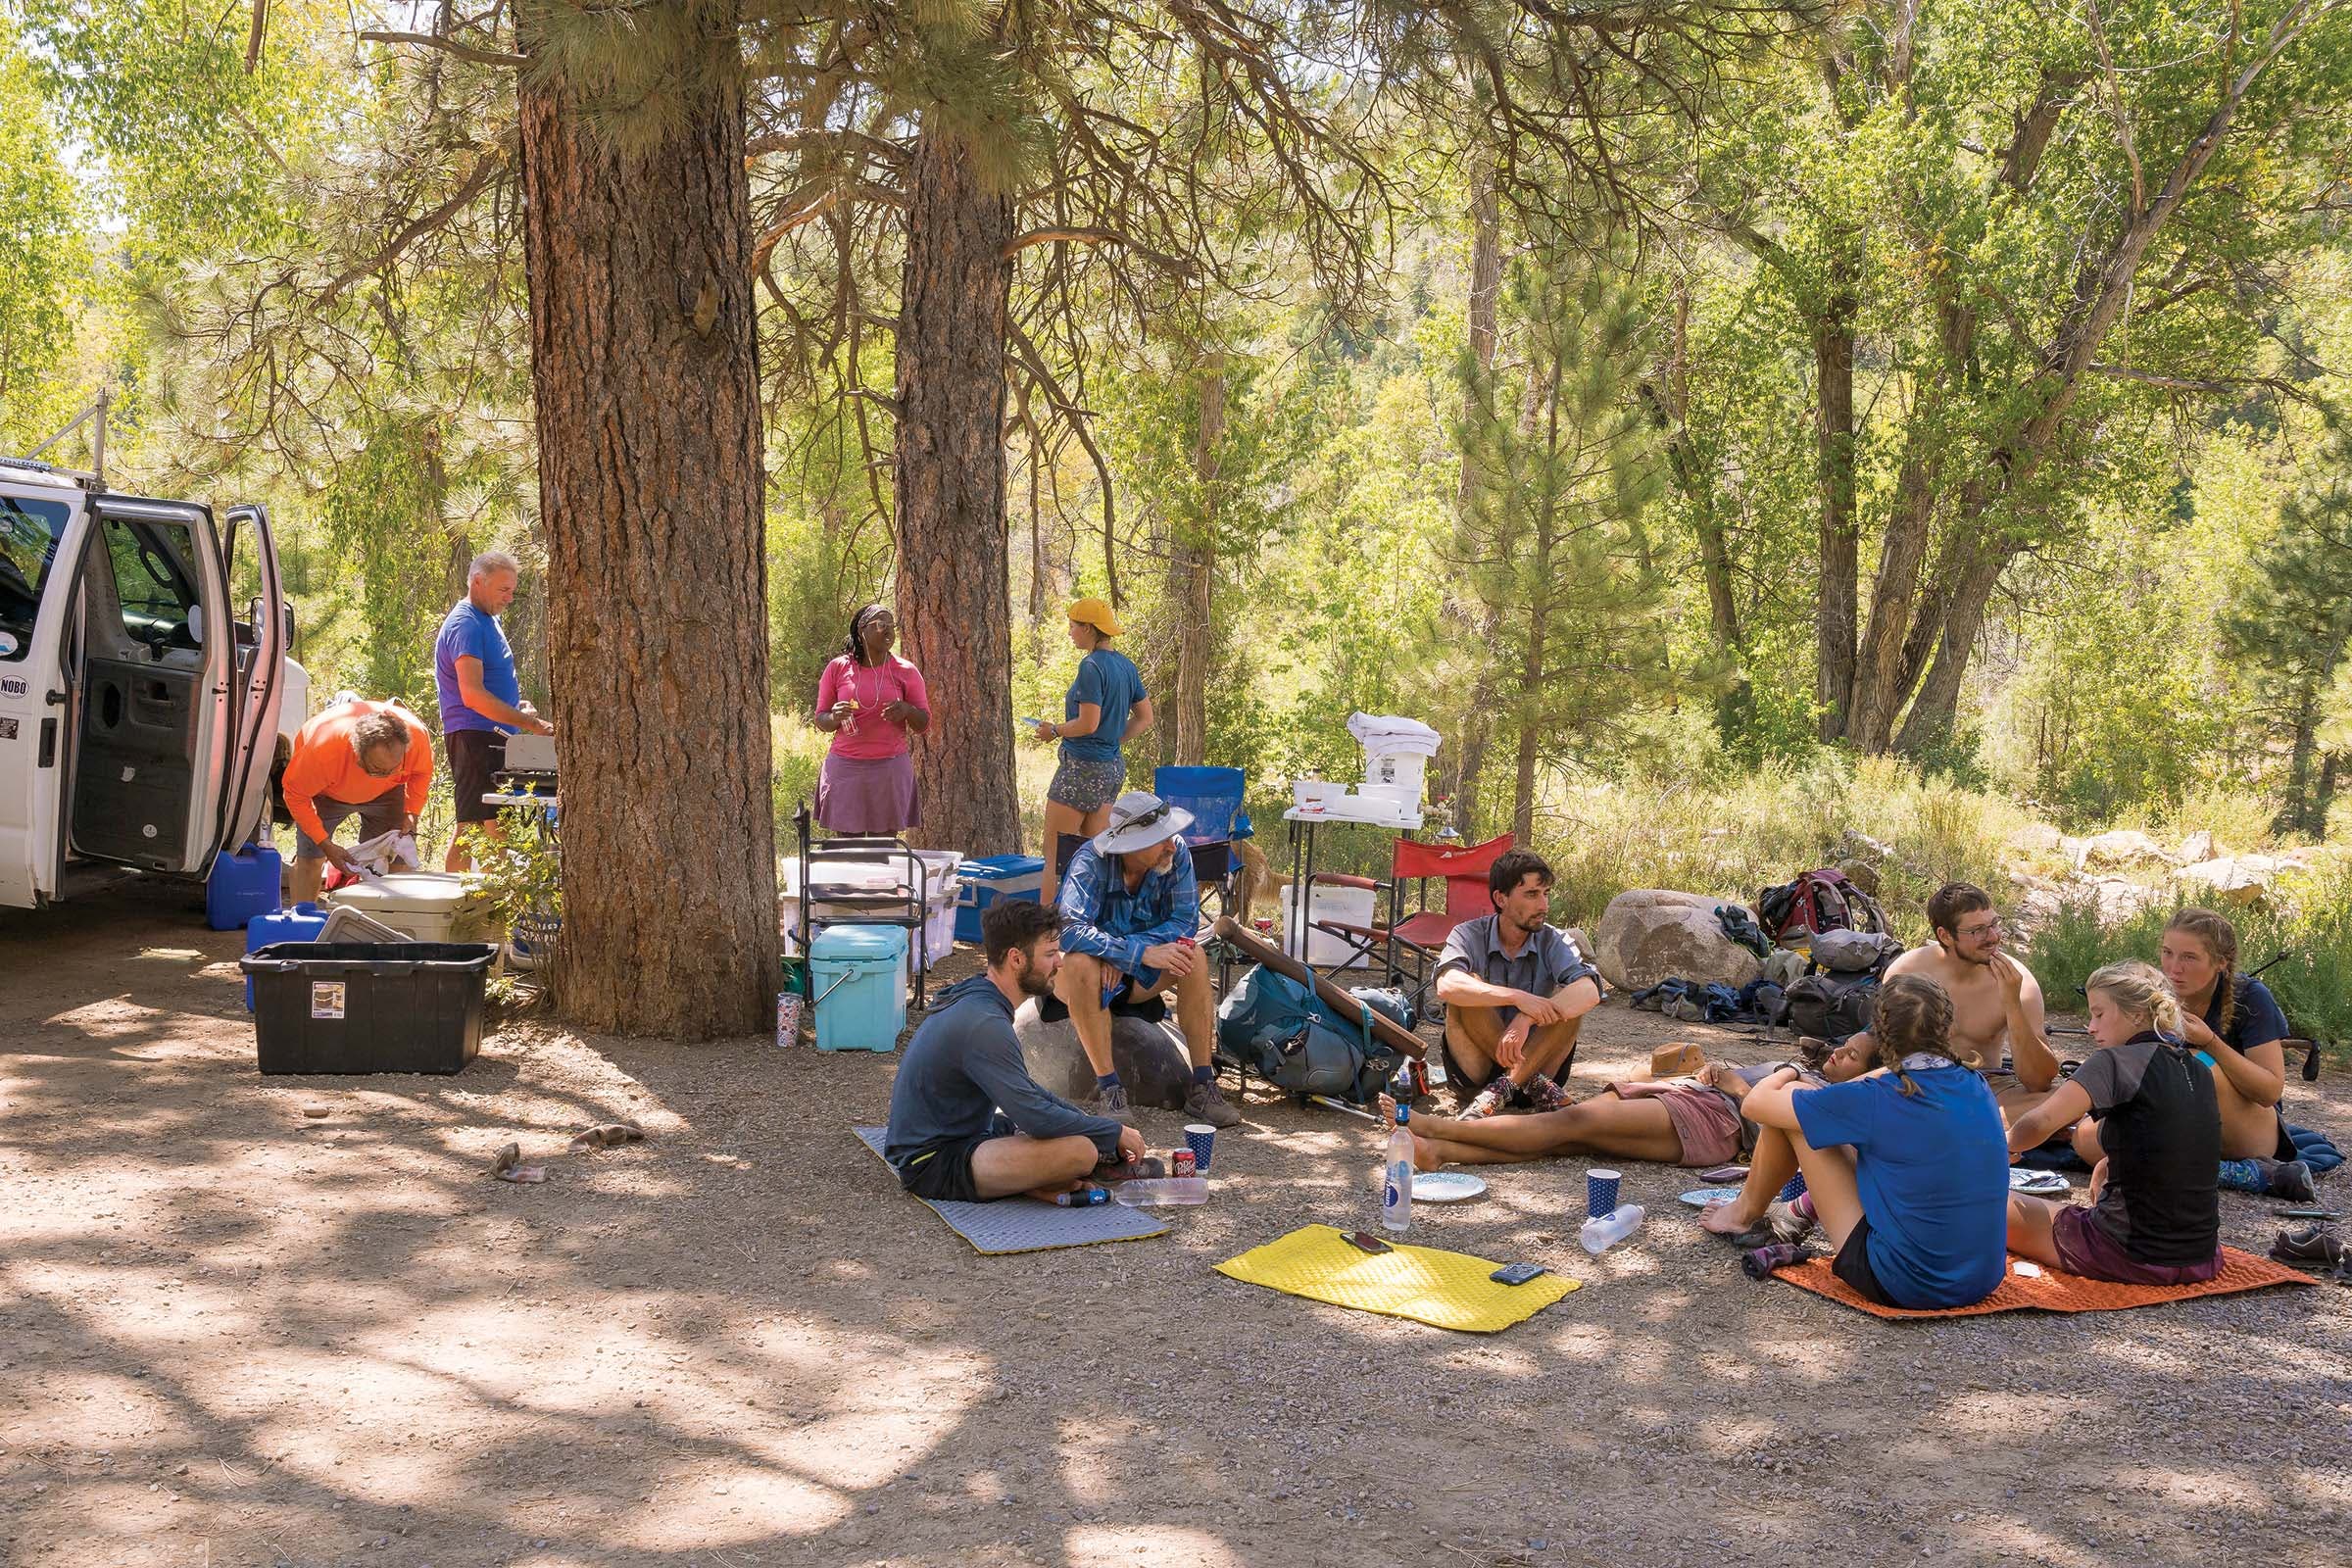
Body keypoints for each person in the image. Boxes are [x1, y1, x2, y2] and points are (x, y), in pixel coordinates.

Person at [1701, 975, 2009, 1311]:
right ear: (1948, 1030)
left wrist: (1790, 1070)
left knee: (1791, 1104)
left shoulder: (1878, 1096)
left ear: (1879, 1033)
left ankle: (1742, 1214)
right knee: (1811, 1110)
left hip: (1906, 1284)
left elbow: (1755, 1105)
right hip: (1981, 1278)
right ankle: (1777, 1213)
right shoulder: (1974, 1082)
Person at [885, 900, 1146, 1202]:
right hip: (930, 1162)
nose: (1059, 963)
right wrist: (1110, 1135)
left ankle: (1037, 1181)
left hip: (961, 1132)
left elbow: (1027, 1092)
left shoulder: (982, 998)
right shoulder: (985, 1024)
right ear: (1016, 959)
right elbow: (1035, 1116)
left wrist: (1097, 1128)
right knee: (1080, 1152)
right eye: (1050, 954)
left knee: (1051, 1133)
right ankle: (1033, 1183)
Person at [2004, 962, 2224, 1285]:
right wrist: (2108, 1162)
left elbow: (2040, 1123)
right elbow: (2170, 1139)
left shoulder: (2114, 1062)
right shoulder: (2199, 1070)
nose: (2091, 1027)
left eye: (2099, 1014)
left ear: (2136, 1015)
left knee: (1984, 1205)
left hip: (2129, 1253)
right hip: (2201, 1257)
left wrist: (2005, 1144)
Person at [1053, 791, 1241, 1128]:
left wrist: (1126, 951)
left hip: (1135, 973)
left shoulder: (1177, 853)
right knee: (1080, 961)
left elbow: (1184, 921)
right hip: (1086, 980)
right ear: (1130, 845)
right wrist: (1124, 952)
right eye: (1160, 839)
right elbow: (1069, 931)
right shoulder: (1089, 863)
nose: (1171, 844)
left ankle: (1202, 1086)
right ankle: (1110, 1090)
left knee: (1192, 954)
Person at [1388, 1046, 1871, 1173]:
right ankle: (1439, 1151)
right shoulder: (1815, 1074)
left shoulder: (1833, 1098)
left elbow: (1776, 1129)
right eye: (1842, 1046)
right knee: (1568, 1141)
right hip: (1690, 1094)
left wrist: (1736, 1087)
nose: (1838, 1055)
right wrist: (1713, 1072)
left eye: (1852, 1055)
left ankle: (1431, 1124)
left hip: (1711, 1121)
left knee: (1568, 1123)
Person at [1431, 848, 1603, 1119]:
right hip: (1476, 1076)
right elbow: (1447, 985)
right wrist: (1515, 997)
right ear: (1501, 898)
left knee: (1571, 999)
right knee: (1468, 987)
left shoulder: (1553, 940)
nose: (1544, 905)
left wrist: (1526, 1018)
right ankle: (1522, 1080)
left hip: (1538, 1072)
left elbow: (1589, 991)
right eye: (1532, 894)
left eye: (1545, 894)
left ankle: (1505, 1087)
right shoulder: (1468, 934)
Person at [1883, 882, 2060, 1120]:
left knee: (2060, 1101)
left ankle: (1960, 1122)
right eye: (1977, 931)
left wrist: (2012, 1005)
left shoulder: (2019, 982)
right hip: (1917, 1082)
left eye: (1995, 924)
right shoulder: (1908, 971)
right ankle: (1977, 1124)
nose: (1993, 937)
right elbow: (1885, 1047)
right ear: (1945, 936)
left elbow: (2039, 1081)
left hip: (1985, 1085)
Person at [434, 550, 552, 872]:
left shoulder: (489, 621)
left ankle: (490, 907)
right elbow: (472, 695)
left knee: (496, 827)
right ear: (477, 582)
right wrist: (530, 722)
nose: (509, 597)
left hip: (496, 735)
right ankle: (456, 910)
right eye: (503, 590)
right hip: (474, 736)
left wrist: (516, 709)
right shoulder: (466, 624)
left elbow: (492, 685)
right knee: (471, 828)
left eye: (513, 590)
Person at [1034, 597, 1152, 906]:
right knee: (1092, 855)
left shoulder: (1091, 665)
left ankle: (1043, 932)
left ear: (1088, 628)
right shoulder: (1126, 666)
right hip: (1110, 768)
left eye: (1073, 626)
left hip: (1080, 768)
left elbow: (1088, 723)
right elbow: (1145, 718)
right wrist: (1112, 741)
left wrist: (1054, 730)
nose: (1070, 632)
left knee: (1055, 856)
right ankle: (1088, 922)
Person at [280, 697, 432, 904]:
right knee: (311, 856)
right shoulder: (323, 752)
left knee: (395, 855)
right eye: (378, 768)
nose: (387, 772)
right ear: (357, 752)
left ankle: (387, 920)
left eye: (394, 767)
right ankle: (302, 921)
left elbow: (422, 773)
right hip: (327, 792)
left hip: (388, 795)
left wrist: (412, 812)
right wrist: (325, 844)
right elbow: (295, 795)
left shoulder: (416, 738)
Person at [812, 604, 930, 835]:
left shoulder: (906, 671)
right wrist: (834, 716)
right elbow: (821, 719)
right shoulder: (838, 668)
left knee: (884, 849)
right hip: (845, 769)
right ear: (861, 631)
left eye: (892, 626)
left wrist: (907, 710)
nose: (889, 632)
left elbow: (924, 723)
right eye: (881, 625)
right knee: (849, 851)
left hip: (889, 770)